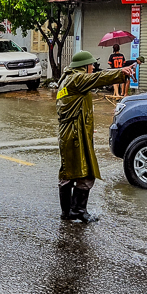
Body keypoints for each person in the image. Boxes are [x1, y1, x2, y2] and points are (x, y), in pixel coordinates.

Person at [56, 50, 136, 223]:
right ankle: (77, 210)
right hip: (75, 135)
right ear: (83, 66)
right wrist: (120, 72)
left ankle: (68, 211)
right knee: (86, 173)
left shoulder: (67, 79)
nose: (93, 67)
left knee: (68, 173)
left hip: (71, 132)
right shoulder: (76, 79)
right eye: (91, 65)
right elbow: (97, 78)